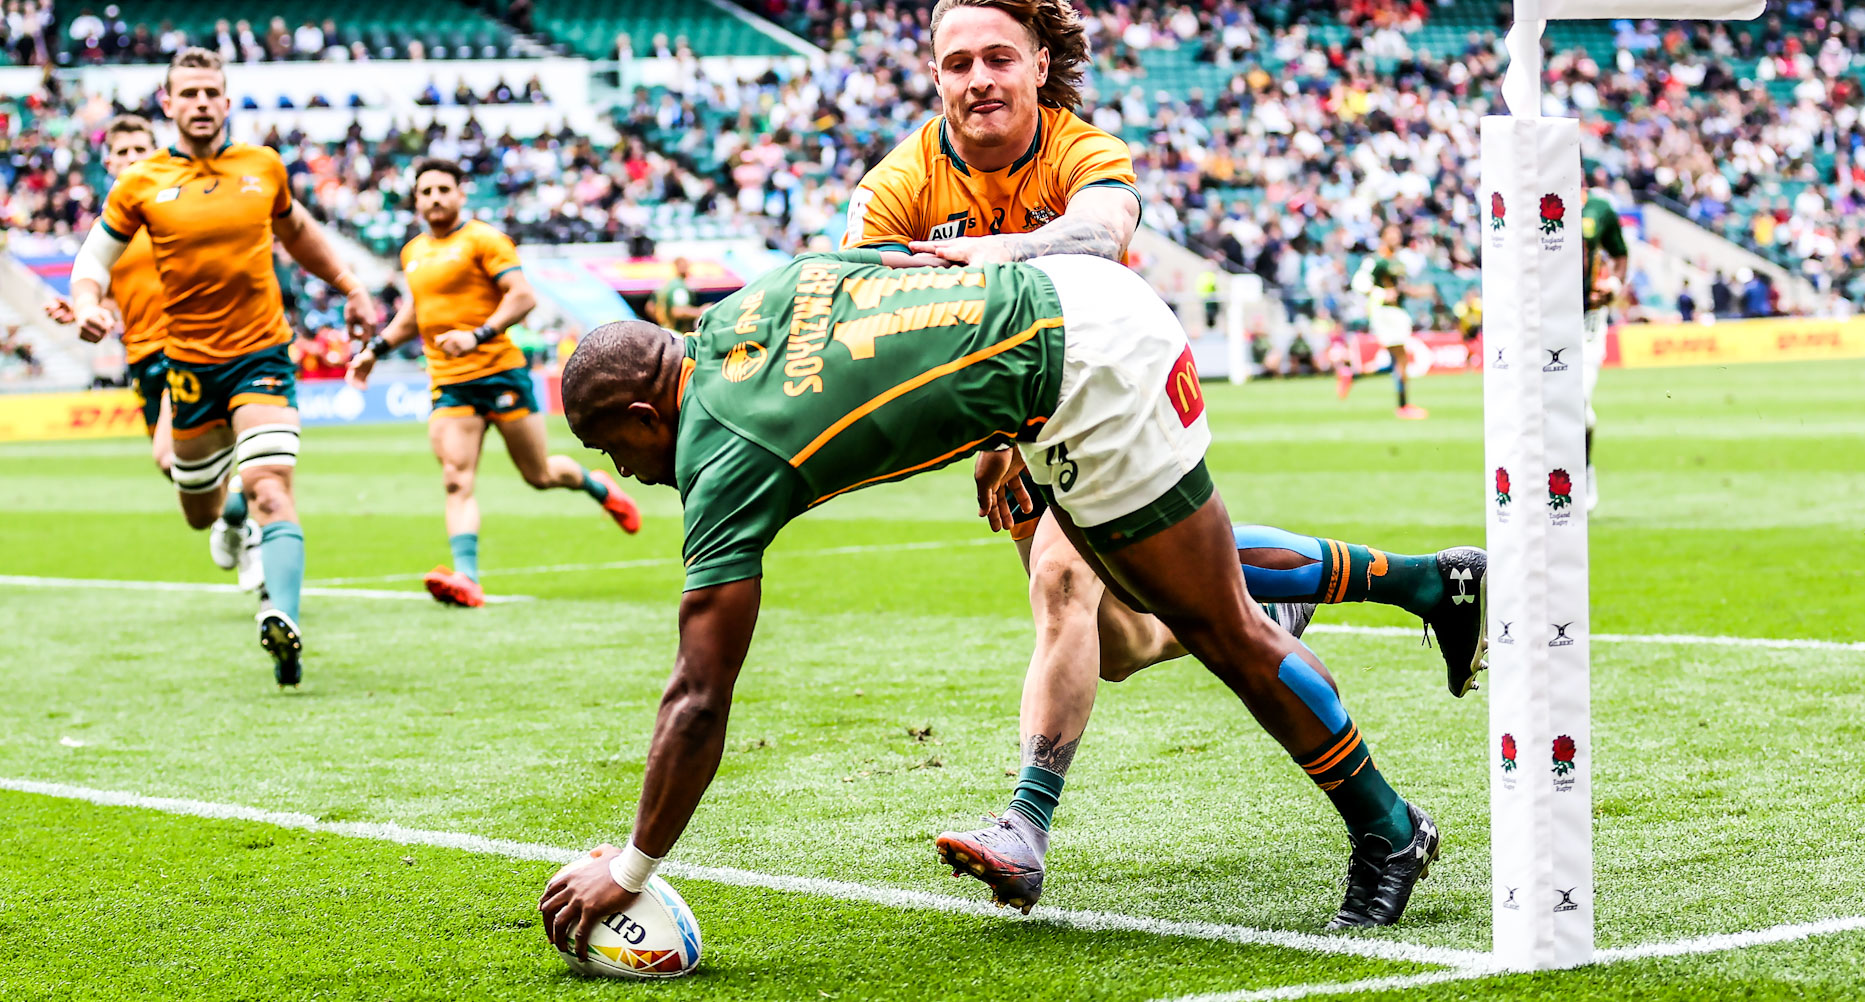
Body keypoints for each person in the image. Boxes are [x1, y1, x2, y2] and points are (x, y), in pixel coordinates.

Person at [537, 249, 1459, 959]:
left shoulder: (722, 457)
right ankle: (1425, 584)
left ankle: (1389, 828)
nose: (621, 468)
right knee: (1137, 602)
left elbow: (698, 696)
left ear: (646, 414)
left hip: (1088, 374)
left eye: (609, 445)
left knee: (1211, 627)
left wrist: (631, 871)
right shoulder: (751, 304)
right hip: (1078, 306)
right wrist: (995, 421)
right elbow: (912, 279)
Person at [842, 0, 1484, 912]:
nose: (977, 79)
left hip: (1119, 381)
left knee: (1066, 584)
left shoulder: (1079, 150)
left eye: (997, 57)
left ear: (1036, 62)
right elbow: (872, 312)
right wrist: (983, 436)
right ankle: (1403, 582)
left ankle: (1025, 826)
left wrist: (974, 264)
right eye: (956, 64)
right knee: (1124, 638)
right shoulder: (897, 184)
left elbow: (1100, 233)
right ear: (935, 75)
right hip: (1014, 416)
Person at [69, 47, 378, 687]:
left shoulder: (262, 167)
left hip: (262, 354)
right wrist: (86, 303)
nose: (202, 103)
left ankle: (282, 618)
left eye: (212, 91)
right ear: (169, 103)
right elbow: (94, 259)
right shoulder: (141, 183)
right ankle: (230, 519)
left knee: (272, 484)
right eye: (190, 93)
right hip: (186, 370)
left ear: (227, 100)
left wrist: (350, 284)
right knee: (200, 508)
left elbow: (295, 231)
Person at [347, 158, 641, 608]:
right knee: (455, 479)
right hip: (450, 383)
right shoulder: (413, 253)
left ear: (461, 194)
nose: (435, 198)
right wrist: (375, 350)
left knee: (539, 474)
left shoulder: (484, 239)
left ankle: (596, 485)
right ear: (415, 200)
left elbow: (523, 296)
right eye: (425, 192)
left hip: (501, 372)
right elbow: (416, 312)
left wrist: (478, 334)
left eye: (443, 189)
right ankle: (468, 578)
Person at [44, 114, 173, 476]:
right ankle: (237, 514)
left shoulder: (176, 211)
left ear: (156, 155)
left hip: (188, 348)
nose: (132, 156)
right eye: (123, 151)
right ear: (109, 162)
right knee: (180, 474)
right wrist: (83, 308)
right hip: (142, 356)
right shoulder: (108, 232)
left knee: (171, 456)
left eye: (140, 149)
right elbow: (118, 295)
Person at [1340, 226, 1425, 418]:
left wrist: (1414, 291)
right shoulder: (1375, 259)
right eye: (1391, 234)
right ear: (1383, 237)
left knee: (1396, 361)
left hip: (1397, 311)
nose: (1395, 237)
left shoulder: (1397, 260)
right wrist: (1381, 293)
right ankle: (1403, 406)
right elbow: (1359, 282)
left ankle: (1352, 375)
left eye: (1397, 234)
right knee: (1401, 359)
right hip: (1385, 313)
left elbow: (1398, 287)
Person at [1580, 186, 1628, 514]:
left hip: (1587, 317)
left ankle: (1582, 472)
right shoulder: (1526, 202)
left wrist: (1615, 285)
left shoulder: (1598, 209)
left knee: (1578, 397)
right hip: (1543, 316)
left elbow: (1620, 254)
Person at [646, 257, 699, 332]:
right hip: (677, 332)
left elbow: (650, 307)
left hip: (665, 330)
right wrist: (700, 311)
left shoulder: (665, 285)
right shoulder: (678, 285)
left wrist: (662, 320)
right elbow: (678, 311)